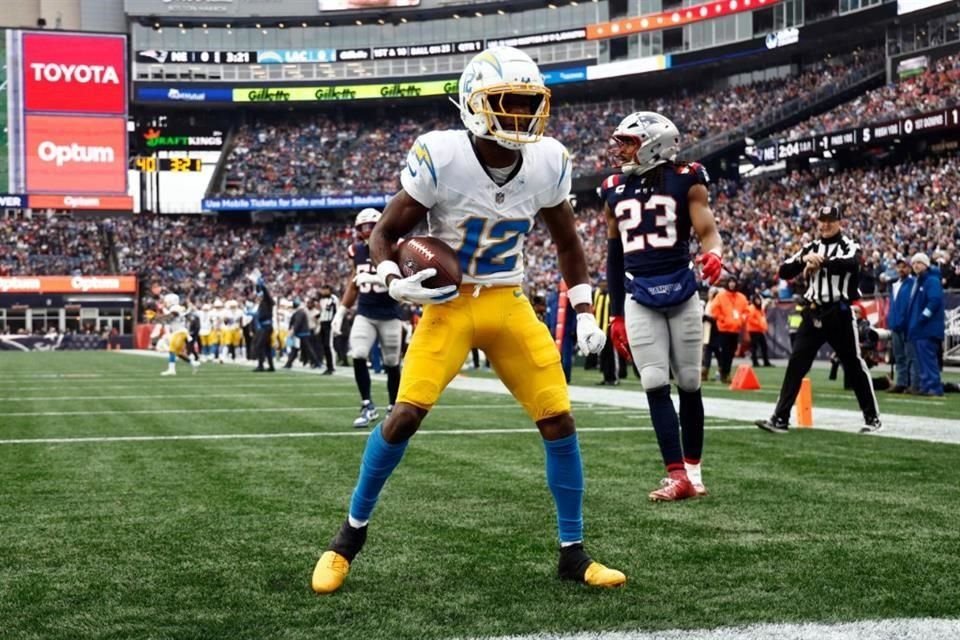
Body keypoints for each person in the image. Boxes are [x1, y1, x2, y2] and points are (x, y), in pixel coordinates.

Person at [311, 46, 624, 595]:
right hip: (449, 305)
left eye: (528, 104)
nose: (521, 116)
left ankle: (572, 552)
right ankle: (346, 540)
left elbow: (569, 242)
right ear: (476, 105)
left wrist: (581, 309)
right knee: (404, 415)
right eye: (507, 103)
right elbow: (384, 232)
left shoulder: (549, 159)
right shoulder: (442, 155)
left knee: (559, 419)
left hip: (507, 301)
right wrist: (389, 276)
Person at [602, 111, 723, 502]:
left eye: (629, 141)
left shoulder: (687, 177)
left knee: (689, 381)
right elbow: (614, 255)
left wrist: (715, 254)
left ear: (654, 143)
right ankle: (676, 475)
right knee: (654, 381)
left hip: (682, 289)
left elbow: (708, 232)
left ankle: (694, 471)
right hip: (639, 295)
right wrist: (617, 313)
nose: (620, 149)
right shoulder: (612, 188)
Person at [756, 206, 882, 434]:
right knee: (796, 365)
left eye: (830, 221)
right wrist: (805, 259)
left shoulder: (848, 245)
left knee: (853, 365)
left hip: (839, 313)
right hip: (813, 312)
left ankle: (872, 418)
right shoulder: (810, 247)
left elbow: (851, 263)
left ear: (839, 222)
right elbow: (784, 271)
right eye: (822, 221)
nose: (825, 225)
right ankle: (780, 418)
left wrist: (820, 262)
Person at [333, 208, 404, 428]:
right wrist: (342, 311)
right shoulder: (356, 250)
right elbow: (354, 284)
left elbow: (400, 281)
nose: (367, 231)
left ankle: (393, 408)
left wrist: (373, 278)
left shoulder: (396, 246)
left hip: (390, 313)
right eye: (363, 227)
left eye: (371, 226)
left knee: (392, 362)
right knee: (358, 354)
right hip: (365, 312)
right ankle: (367, 405)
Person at [906, 252, 945, 396]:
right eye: (914, 263)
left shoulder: (931, 281)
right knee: (922, 360)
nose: (916, 265)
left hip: (928, 328)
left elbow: (934, 301)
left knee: (928, 359)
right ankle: (926, 386)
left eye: (919, 263)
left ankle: (934, 387)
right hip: (920, 329)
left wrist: (923, 317)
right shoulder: (919, 281)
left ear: (926, 265)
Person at [885, 257, 917, 394]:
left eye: (904, 267)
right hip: (896, 325)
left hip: (908, 325)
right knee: (899, 356)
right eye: (899, 267)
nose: (901, 269)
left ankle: (913, 383)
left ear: (909, 268)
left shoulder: (913, 283)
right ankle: (901, 382)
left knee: (911, 356)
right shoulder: (894, 285)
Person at [712, 275, 748, 383]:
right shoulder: (720, 296)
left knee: (731, 353)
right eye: (730, 282)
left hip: (735, 330)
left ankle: (725, 373)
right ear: (727, 283)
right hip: (724, 330)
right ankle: (724, 373)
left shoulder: (741, 297)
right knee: (725, 353)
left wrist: (741, 319)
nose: (732, 284)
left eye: (734, 282)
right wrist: (723, 320)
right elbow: (715, 310)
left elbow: (746, 311)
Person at [251, 275, 276, 372]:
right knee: (266, 346)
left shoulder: (268, 302)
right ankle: (271, 366)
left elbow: (266, 294)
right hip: (264, 327)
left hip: (266, 327)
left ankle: (261, 365)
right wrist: (257, 285)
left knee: (259, 345)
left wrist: (263, 286)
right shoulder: (262, 304)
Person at [316, 285, 338, 374]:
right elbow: (322, 311)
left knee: (329, 345)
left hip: (330, 323)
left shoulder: (333, 298)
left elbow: (336, 310)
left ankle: (332, 366)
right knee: (324, 345)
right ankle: (328, 365)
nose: (324, 291)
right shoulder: (321, 299)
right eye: (323, 290)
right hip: (323, 323)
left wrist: (336, 324)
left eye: (325, 290)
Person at [746, 294, 773, 368]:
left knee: (763, 346)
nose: (758, 301)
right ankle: (755, 362)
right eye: (756, 299)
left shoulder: (759, 309)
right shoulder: (752, 308)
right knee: (755, 347)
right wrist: (760, 324)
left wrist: (764, 326)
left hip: (759, 330)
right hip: (753, 330)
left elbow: (762, 318)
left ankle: (765, 362)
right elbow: (751, 319)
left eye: (759, 299)